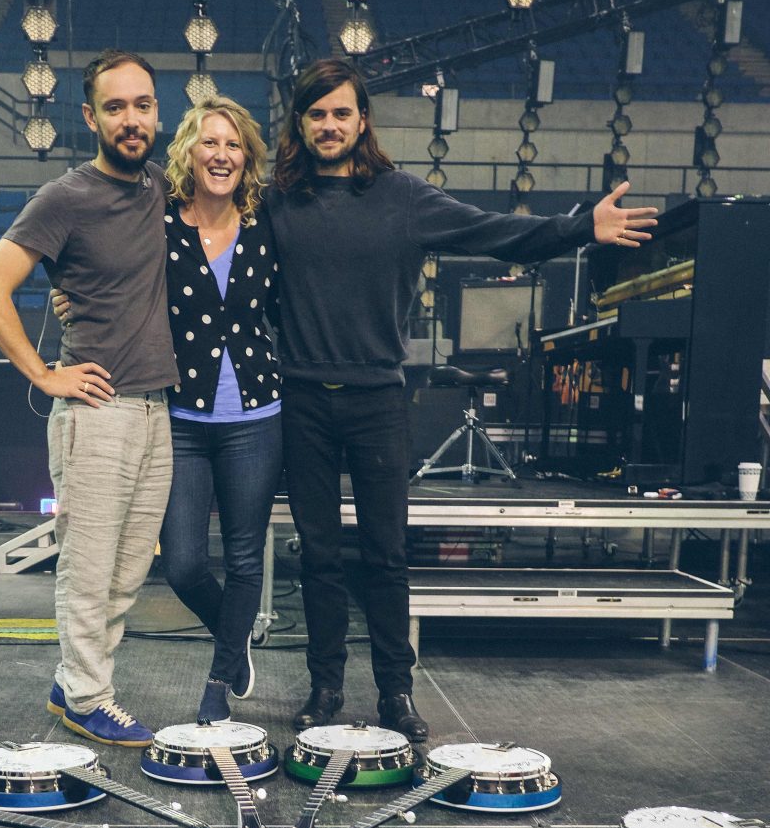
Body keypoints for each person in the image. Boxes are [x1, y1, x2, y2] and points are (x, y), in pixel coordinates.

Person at [266, 57, 657, 742]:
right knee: (319, 556)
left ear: (363, 121)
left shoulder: (403, 197)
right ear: (300, 123)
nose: (329, 125)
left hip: (378, 401)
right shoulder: (275, 201)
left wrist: (577, 228)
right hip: (300, 402)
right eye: (317, 113)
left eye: (341, 113)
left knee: (386, 554)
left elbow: (496, 230)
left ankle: (395, 693)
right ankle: (325, 687)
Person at [0, 49, 175, 746]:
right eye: (114, 107)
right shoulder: (66, 196)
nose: (130, 118)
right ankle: (88, 697)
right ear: (91, 117)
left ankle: (73, 682)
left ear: (157, 110)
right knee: (88, 570)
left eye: (141, 104)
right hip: (96, 413)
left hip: (155, 411)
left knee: (126, 572)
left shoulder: (160, 189)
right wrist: (44, 373)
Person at [56, 97, 282, 726]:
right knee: (182, 562)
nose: (221, 154)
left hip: (258, 416)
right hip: (182, 415)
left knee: (242, 558)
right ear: (187, 151)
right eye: (209, 143)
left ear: (247, 157)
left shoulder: (267, 225)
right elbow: (107, 269)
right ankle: (235, 637)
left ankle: (219, 680)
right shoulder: (160, 221)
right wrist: (68, 295)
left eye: (233, 144)